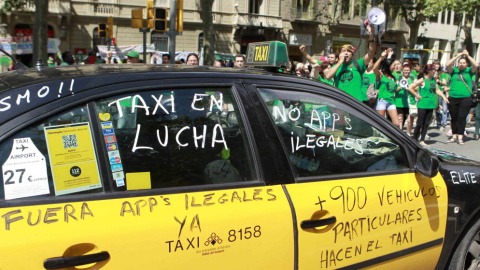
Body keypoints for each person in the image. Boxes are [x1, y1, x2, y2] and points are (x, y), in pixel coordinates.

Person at [323, 25, 376, 101]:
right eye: (343, 51)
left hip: (355, 103)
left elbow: (371, 53)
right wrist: (340, 62)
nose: (346, 53)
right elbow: (327, 76)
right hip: (341, 103)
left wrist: (371, 37)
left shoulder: (358, 64)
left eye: (349, 51)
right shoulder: (336, 66)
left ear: (352, 55)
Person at [409, 64, 449, 146]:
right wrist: (416, 95)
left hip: (431, 104)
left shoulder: (434, 79)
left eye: (435, 70)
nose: (435, 71)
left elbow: (437, 90)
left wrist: (443, 97)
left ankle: (422, 140)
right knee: (420, 122)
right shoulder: (422, 80)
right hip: (423, 104)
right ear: (429, 71)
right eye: (433, 70)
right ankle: (415, 138)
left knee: (426, 123)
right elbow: (410, 87)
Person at [445, 50, 479, 144]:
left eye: (464, 63)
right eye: (460, 63)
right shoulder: (454, 71)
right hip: (453, 96)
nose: (462, 64)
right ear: (458, 63)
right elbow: (447, 64)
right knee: (454, 117)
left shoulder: (469, 71)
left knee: (462, 117)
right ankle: (454, 135)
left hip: (465, 98)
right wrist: (458, 55)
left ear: (466, 64)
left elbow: (476, 65)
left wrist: (468, 56)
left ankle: (460, 136)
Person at [376, 49, 401, 127]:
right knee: (380, 123)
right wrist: (381, 58)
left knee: (396, 123)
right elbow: (374, 68)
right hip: (382, 100)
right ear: (389, 65)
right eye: (393, 65)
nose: (395, 67)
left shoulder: (394, 77)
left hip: (391, 101)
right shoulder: (381, 75)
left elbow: (394, 89)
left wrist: (389, 55)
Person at [395, 64, 415, 130]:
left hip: (410, 101)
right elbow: (395, 89)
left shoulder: (413, 78)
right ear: (402, 71)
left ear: (410, 71)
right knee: (400, 118)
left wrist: (410, 87)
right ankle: (400, 132)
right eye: (405, 70)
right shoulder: (399, 78)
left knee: (409, 119)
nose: (406, 72)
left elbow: (417, 88)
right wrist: (400, 87)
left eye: (408, 70)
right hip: (399, 101)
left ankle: (408, 133)